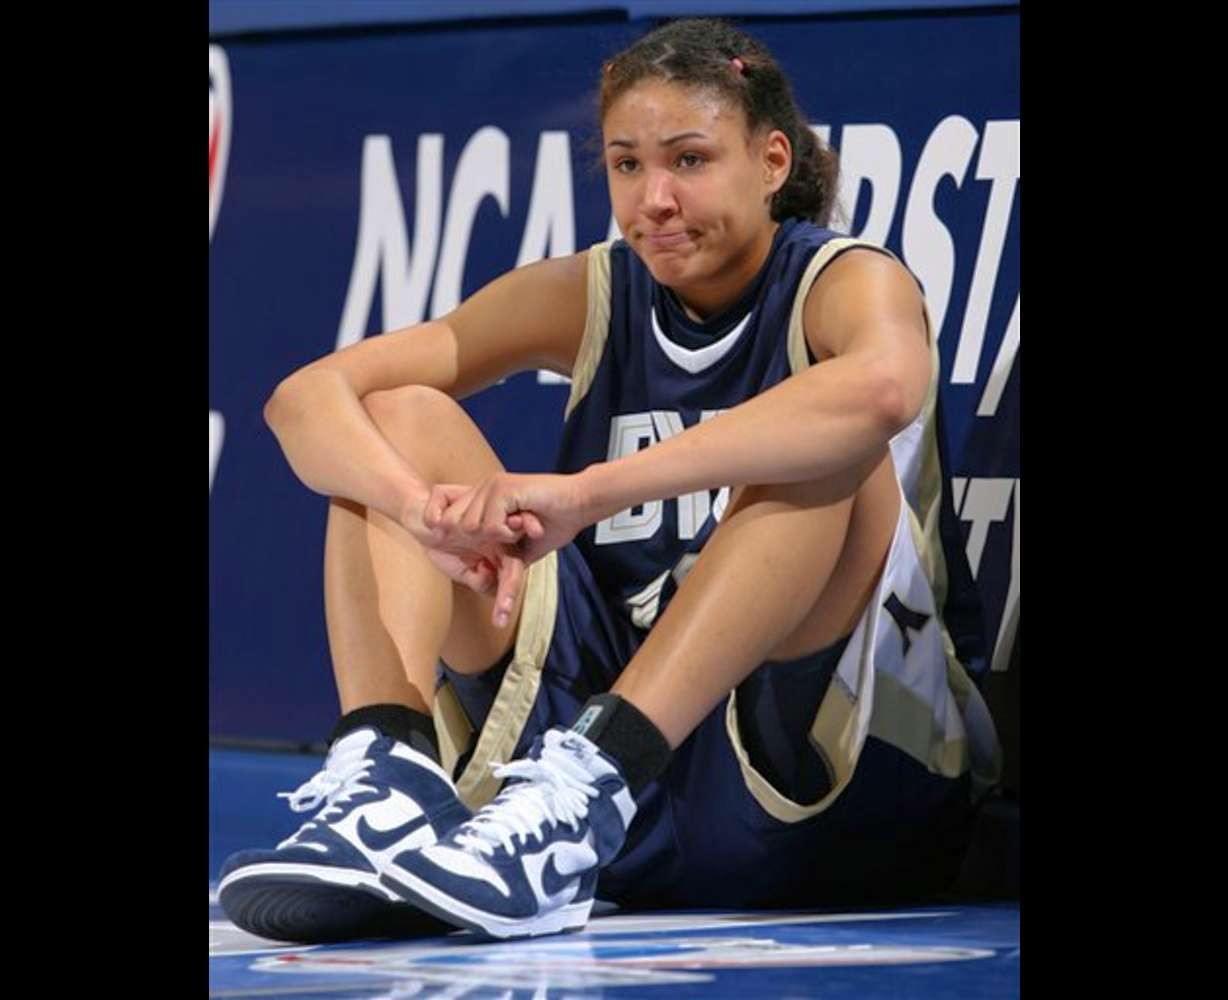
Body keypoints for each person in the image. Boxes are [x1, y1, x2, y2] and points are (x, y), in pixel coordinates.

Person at [217, 17, 1001, 943]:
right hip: (592, 791)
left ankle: (594, 781)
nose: (655, 198)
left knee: (821, 450)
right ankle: (388, 774)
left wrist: (592, 491)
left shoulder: (844, 278)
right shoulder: (597, 288)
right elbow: (306, 398)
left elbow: (882, 389)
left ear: (773, 161)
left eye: (690, 160)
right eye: (628, 166)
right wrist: (417, 513)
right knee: (396, 415)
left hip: (833, 784)